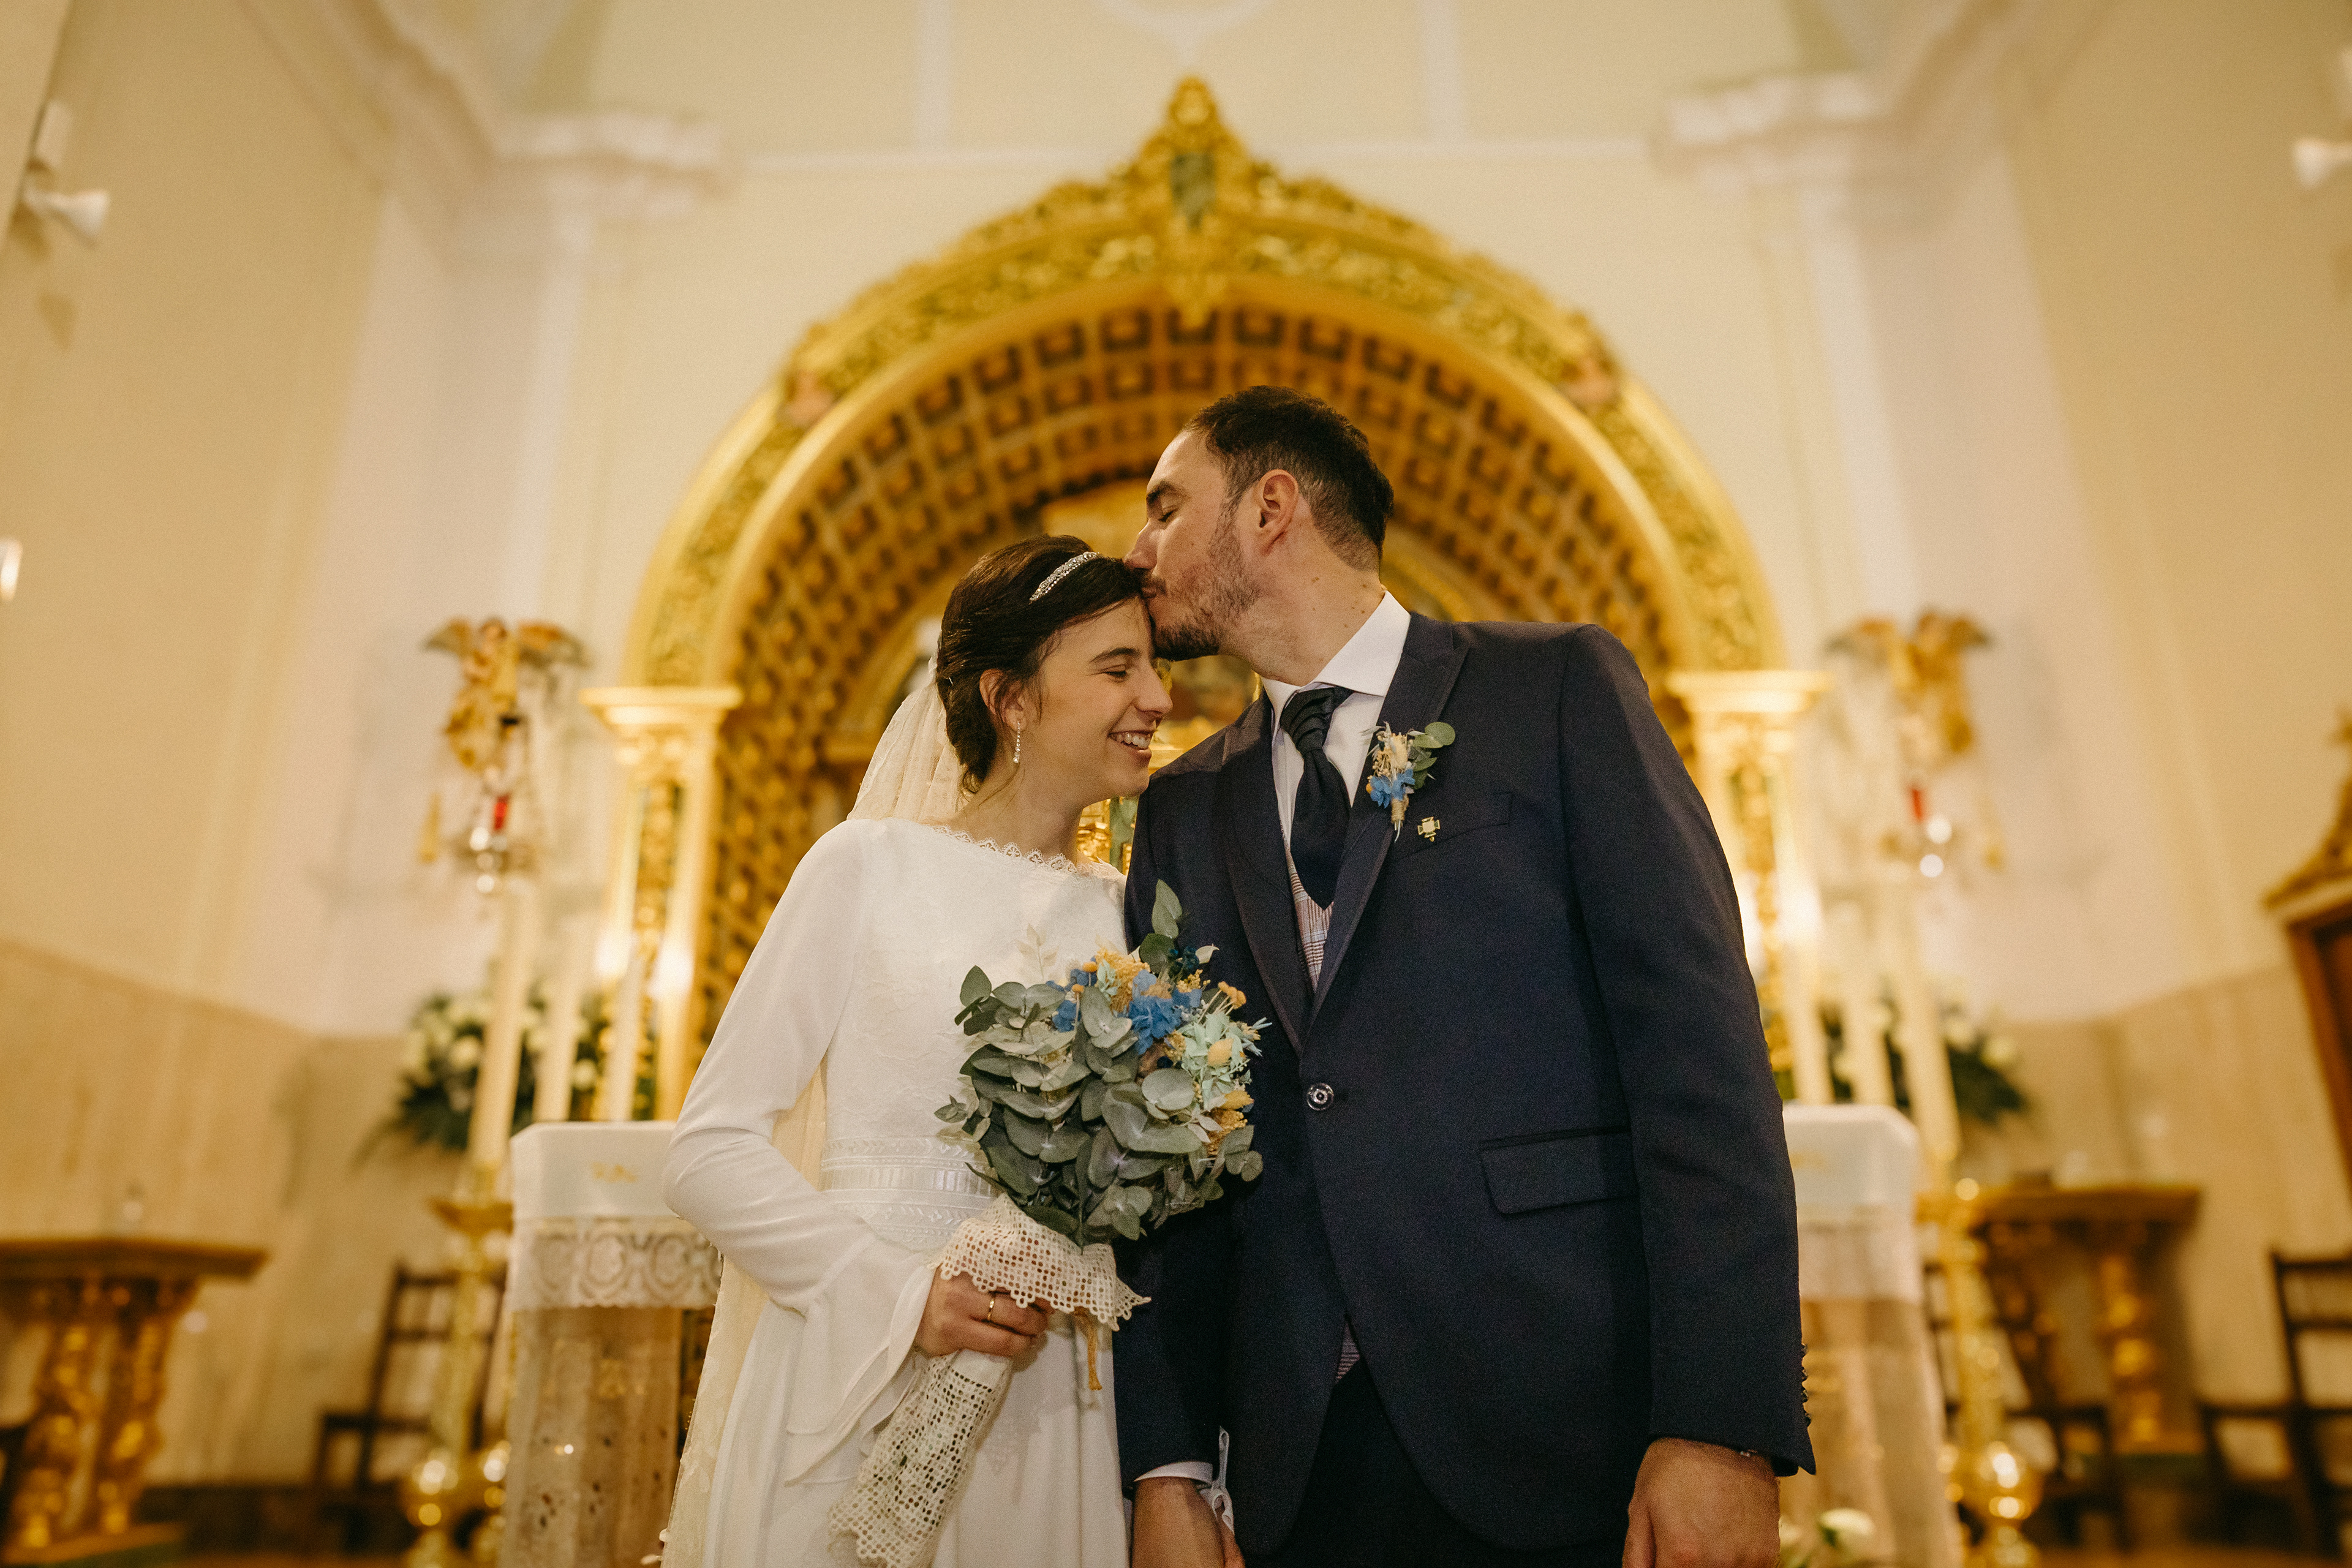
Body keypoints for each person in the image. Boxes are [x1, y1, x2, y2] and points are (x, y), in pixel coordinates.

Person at [1115, 387, 1812, 1568]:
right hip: (1297, 1461)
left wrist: (1719, 1425)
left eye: (1166, 508)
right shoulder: (1185, 806)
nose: (1139, 550)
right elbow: (1167, 1159)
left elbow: (1702, 1071)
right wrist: (1171, 1464)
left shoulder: (1553, 691)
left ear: (1271, 509)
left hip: (1566, 1418)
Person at [660, 537, 1172, 1567]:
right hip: (861, 1365)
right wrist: (899, 1298)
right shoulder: (869, 866)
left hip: (1054, 1399)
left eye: (1153, 667)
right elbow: (707, 1151)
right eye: (1118, 669)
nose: (1157, 699)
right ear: (1011, 699)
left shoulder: (1131, 916)